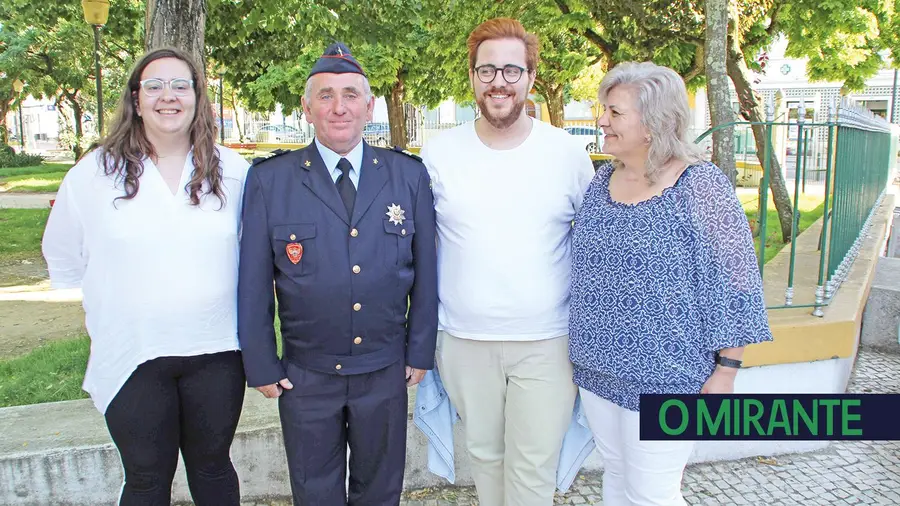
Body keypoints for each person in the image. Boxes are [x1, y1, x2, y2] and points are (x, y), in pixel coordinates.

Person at [42, 48, 250, 506]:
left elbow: (252, 255)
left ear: (198, 98)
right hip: (133, 352)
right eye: (153, 86)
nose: (167, 96)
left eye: (181, 85)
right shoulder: (94, 174)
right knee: (146, 478)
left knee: (213, 468)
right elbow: (64, 255)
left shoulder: (233, 171)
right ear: (136, 100)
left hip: (214, 351)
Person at [237, 42, 437, 506]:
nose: (339, 106)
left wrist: (420, 350)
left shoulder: (408, 176)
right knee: (314, 490)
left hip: (384, 368)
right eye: (325, 95)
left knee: (381, 489)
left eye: (351, 94)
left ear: (370, 106)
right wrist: (262, 361)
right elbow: (252, 281)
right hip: (306, 373)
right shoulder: (272, 180)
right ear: (306, 109)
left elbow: (427, 272)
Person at [568, 61, 774, 506]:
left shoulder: (699, 186)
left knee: (653, 493)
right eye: (603, 108)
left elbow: (736, 282)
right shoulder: (603, 179)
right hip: (598, 369)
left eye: (615, 112)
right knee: (618, 477)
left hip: (669, 377)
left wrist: (727, 370)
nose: (601, 120)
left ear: (655, 122)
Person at [419, 18, 595, 506]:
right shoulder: (440, 152)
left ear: (531, 78)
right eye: (488, 69)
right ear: (473, 77)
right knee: (485, 460)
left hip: (547, 342)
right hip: (465, 340)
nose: (499, 81)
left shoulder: (566, 152)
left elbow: (595, 247)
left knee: (532, 468)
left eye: (512, 71)